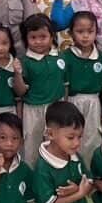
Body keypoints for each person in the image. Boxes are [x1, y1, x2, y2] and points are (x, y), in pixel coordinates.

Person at [13, 14, 67, 168]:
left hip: (57, 108)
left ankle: (56, 176)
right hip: (33, 110)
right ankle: (31, 181)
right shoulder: (25, 61)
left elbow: (66, 85)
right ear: (26, 39)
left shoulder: (60, 57)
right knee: (32, 146)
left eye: (43, 36)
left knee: (57, 145)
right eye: (33, 37)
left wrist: (66, 105)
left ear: (52, 37)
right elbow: (20, 91)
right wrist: (17, 73)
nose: (38, 41)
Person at [64, 11, 102, 165]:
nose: (85, 36)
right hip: (72, 103)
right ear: (71, 33)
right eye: (80, 32)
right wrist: (64, 108)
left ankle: (92, 178)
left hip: (94, 104)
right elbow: (64, 88)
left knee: (92, 139)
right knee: (71, 139)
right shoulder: (65, 57)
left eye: (90, 32)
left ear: (96, 33)